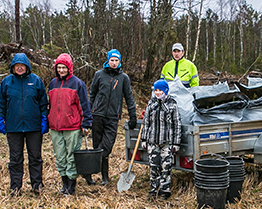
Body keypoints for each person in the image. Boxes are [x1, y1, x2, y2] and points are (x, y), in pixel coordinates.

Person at [0, 53, 49, 195]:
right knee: (15, 158)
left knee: (35, 157)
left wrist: (44, 118)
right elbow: (0, 103)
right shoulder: (6, 82)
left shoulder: (36, 81)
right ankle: (15, 187)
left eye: (22, 66)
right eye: (17, 66)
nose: (20, 68)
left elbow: (43, 102)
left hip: (34, 127)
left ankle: (37, 185)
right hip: (13, 127)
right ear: (13, 68)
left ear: (27, 67)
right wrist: (0, 119)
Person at [87, 49, 137, 186]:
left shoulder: (123, 78)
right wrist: (88, 114)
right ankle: (103, 177)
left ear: (119, 62)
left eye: (116, 61)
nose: (114, 63)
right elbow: (92, 95)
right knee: (97, 146)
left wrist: (133, 115)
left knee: (106, 147)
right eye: (112, 60)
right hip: (97, 115)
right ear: (107, 61)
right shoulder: (99, 75)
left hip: (112, 117)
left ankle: (92, 172)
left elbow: (129, 97)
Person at [47, 53, 92, 195]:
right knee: (60, 156)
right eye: (59, 67)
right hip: (55, 127)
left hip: (72, 126)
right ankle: (64, 182)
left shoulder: (77, 84)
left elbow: (84, 105)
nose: (61, 70)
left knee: (71, 156)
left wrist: (86, 123)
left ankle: (71, 184)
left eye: (64, 68)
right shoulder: (52, 84)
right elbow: (49, 105)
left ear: (69, 68)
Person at [141, 79, 182, 199]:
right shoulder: (151, 104)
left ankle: (165, 190)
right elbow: (146, 122)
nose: (158, 93)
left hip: (166, 142)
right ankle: (153, 189)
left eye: (160, 90)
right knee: (154, 167)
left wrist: (176, 142)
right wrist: (144, 139)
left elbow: (177, 124)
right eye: (156, 90)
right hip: (153, 141)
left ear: (165, 91)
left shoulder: (172, 104)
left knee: (166, 167)